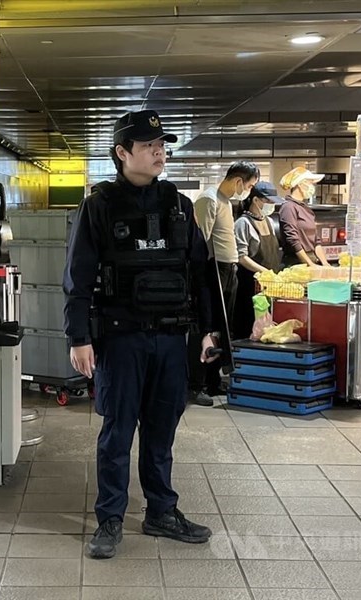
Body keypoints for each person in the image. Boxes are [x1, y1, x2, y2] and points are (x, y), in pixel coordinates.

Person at [63, 109, 216, 560]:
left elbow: (201, 272)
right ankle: (110, 517)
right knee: (117, 430)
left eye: (161, 146)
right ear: (122, 153)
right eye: (149, 146)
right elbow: (77, 276)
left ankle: (161, 511)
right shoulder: (99, 206)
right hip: (120, 338)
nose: (158, 152)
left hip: (171, 338)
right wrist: (78, 337)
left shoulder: (179, 205)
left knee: (161, 429)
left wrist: (208, 332)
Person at [188, 161, 260, 406]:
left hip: (229, 269)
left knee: (222, 327)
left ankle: (212, 381)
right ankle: (196, 384)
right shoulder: (209, 200)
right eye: (249, 185)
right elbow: (200, 242)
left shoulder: (227, 202)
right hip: (212, 270)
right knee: (206, 327)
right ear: (239, 181)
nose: (248, 190)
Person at [233, 181, 283, 339]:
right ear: (256, 200)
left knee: (266, 328)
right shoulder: (243, 223)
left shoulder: (268, 221)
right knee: (250, 326)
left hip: (268, 285)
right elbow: (241, 257)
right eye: (269, 201)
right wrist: (265, 271)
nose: (272, 205)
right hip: (249, 285)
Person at [278, 166, 330, 267]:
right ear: (300, 184)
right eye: (310, 182)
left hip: (311, 259)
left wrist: (325, 263)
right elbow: (293, 240)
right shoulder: (288, 207)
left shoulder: (305, 208)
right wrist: (310, 264)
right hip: (296, 263)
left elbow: (316, 240)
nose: (312, 186)